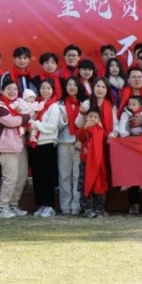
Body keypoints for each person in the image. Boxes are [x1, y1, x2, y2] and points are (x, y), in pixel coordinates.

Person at [0, 77, 33, 219]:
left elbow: (32, 111)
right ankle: (2, 207)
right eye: (9, 89)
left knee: (21, 176)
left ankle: (13, 204)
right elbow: (9, 121)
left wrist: (27, 115)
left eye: (15, 89)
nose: (12, 91)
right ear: (2, 90)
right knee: (10, 178)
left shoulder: (19, 103)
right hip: (6, 146)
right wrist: (27, 116)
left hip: (20, 144)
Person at [58, 77, 84, 216]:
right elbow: (55, 126)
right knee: (64, 176)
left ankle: (76, 205)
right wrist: (63, 121)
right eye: (69, 84)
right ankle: (65, 205)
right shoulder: (59, 105)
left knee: (78, 175)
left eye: (75, 85)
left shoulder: (84, 104)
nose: (72, 87)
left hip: (79, 143)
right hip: (64, 142)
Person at [77, 107, 109, 219]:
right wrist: (85, 127)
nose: (93, 119)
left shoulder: (101, 131)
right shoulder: (84, 129)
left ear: (99, 120)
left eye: (95, 117)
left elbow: (106, 142)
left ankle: (98, 209)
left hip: (98, 163)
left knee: (98, 187)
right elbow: (79, 137)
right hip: (85, 162)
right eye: (90, 116)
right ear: (86, 117)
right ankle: (87, 209)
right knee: (84, 186)